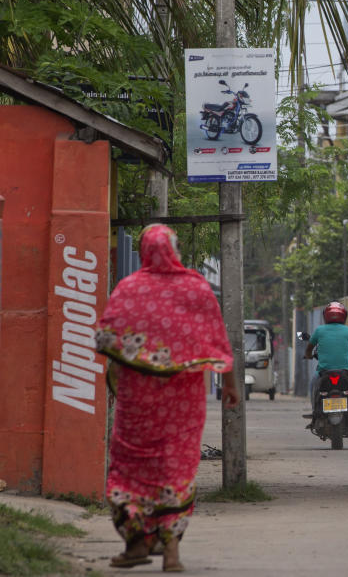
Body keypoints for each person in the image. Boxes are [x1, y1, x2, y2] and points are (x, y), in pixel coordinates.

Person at [96, 224, 238, 572]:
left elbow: (108, 339)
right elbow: (218, 342)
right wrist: (231, 384)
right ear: (175, 248)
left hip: (137, 401)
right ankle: (171, 549)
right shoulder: (196, 288)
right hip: (184, 401)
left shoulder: (129, 288)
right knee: (174, 467)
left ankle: (136, 545)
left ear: (145, 250)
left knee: (132, 467)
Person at [304, 301, 348, 412]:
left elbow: (308, 349)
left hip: (323, 371)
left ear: (325, 316)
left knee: (313, 383)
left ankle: (314, 410)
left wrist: (308, 356)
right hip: (346, 371)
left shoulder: (319, 330)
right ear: (344, 316)